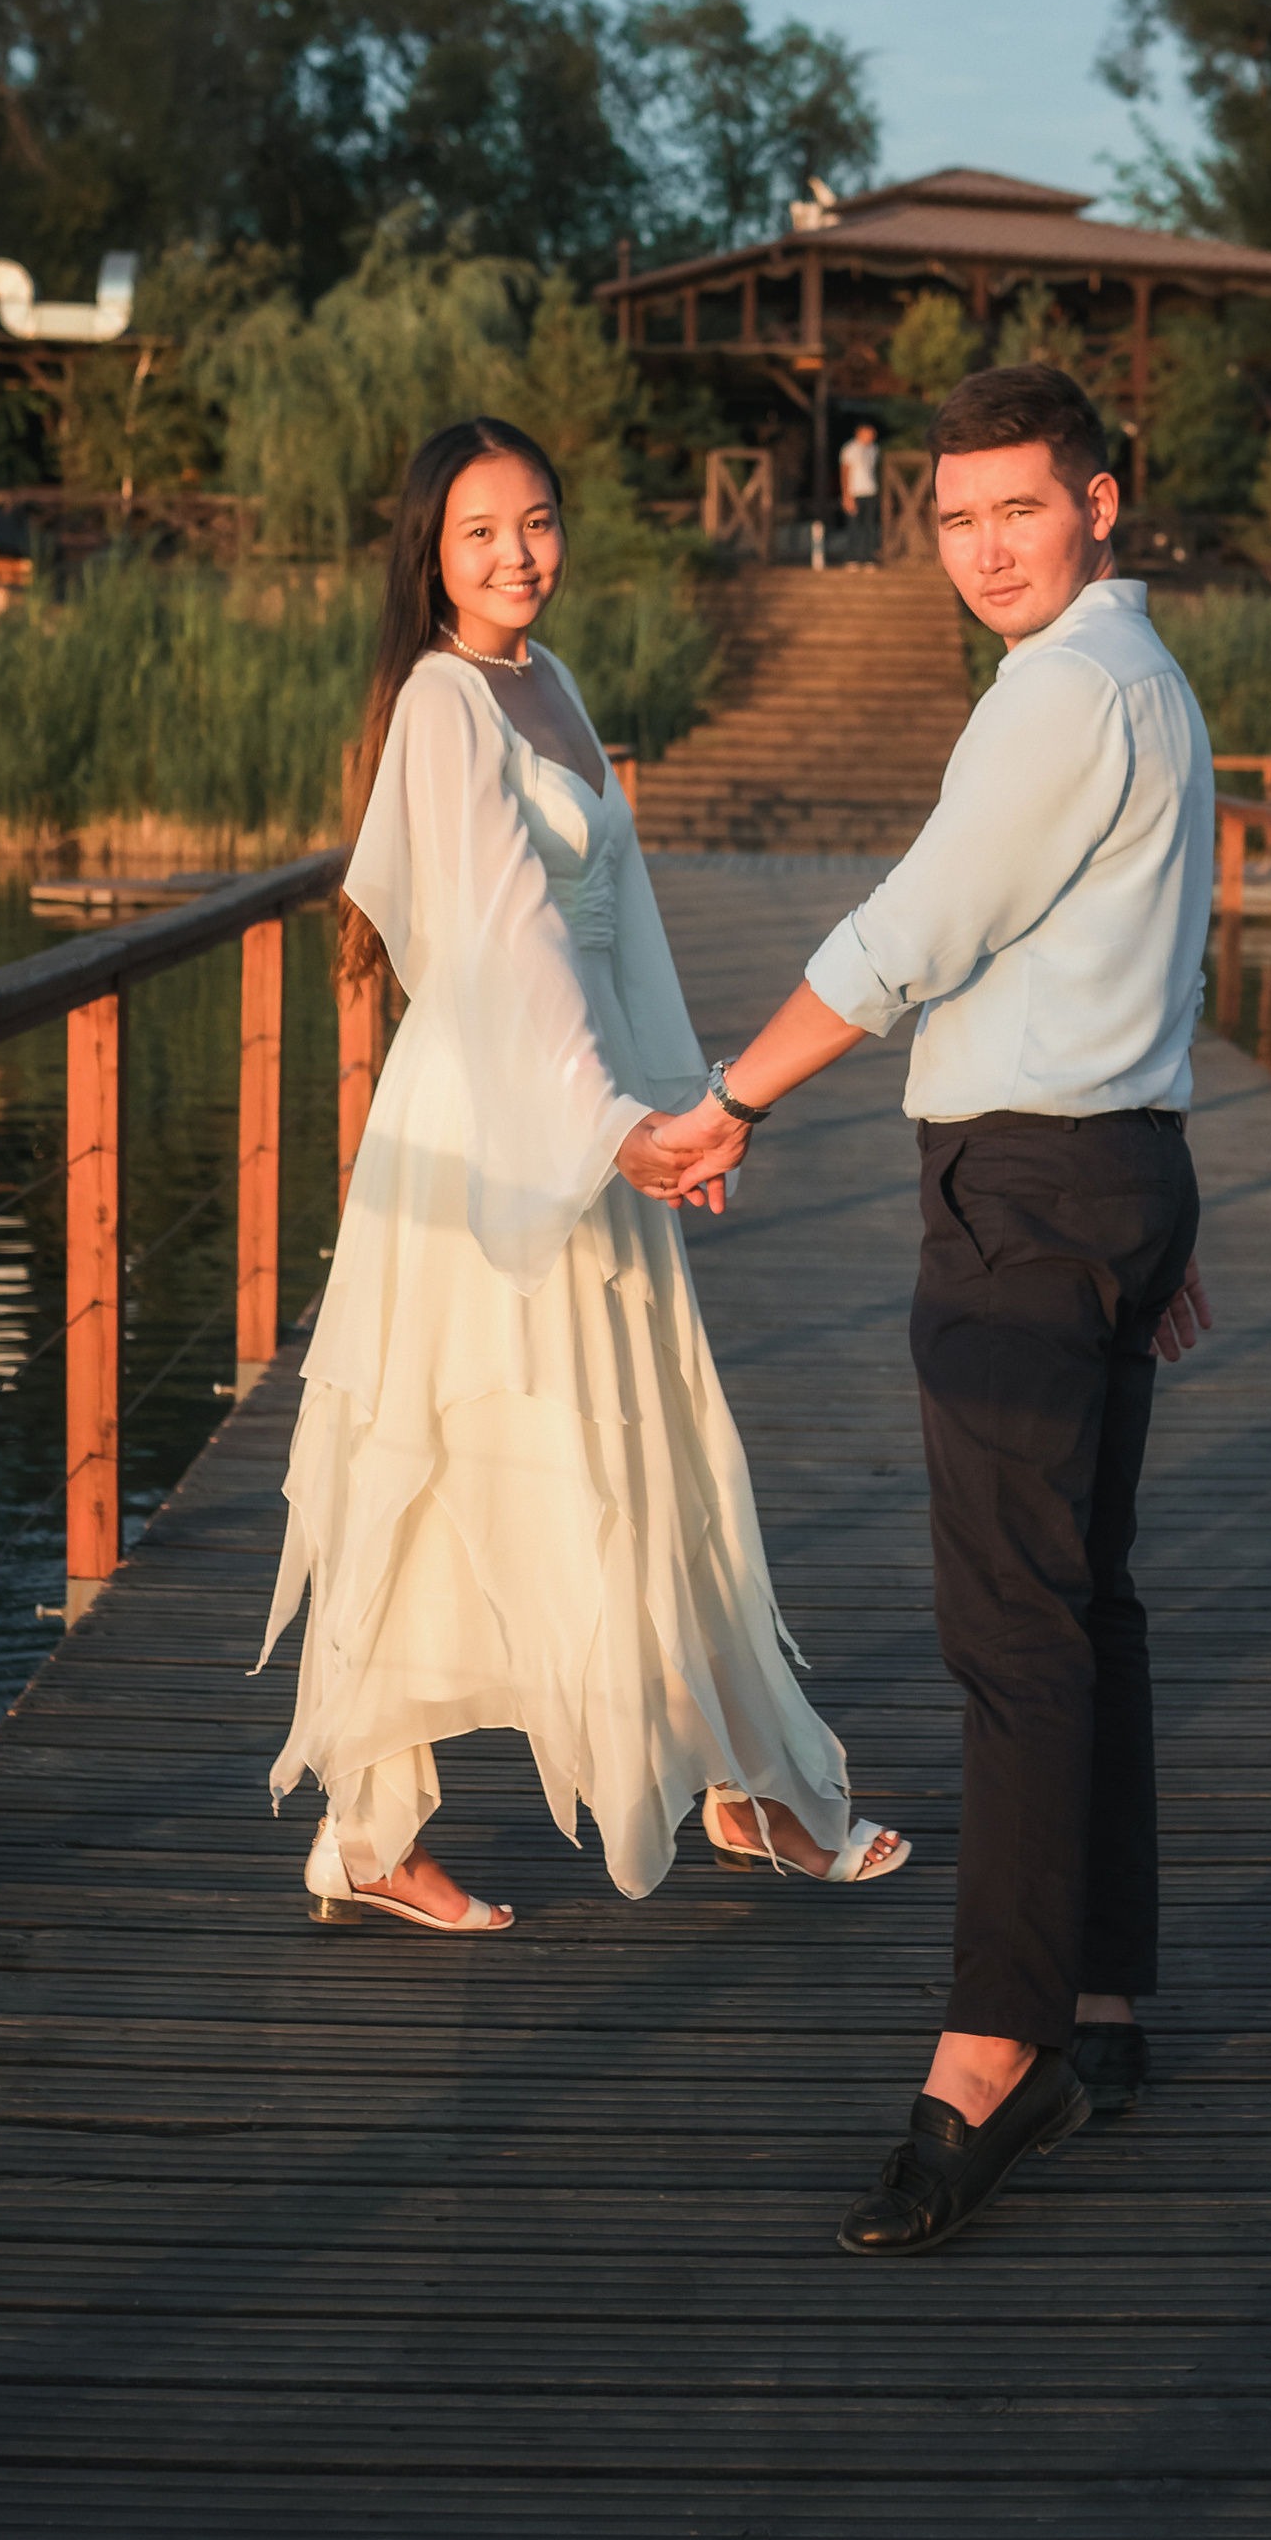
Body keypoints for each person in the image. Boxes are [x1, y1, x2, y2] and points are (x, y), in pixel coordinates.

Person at [650, 361, 1214, 2253]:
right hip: (1112, 1170)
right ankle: (1104, 2000)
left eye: (1019, 512)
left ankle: (999, 2048)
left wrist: (729, 1101)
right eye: (956, 519)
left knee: (1015, 1634)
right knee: (1090, 1609)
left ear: (1101, 502)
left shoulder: (1061, 697)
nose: (981, 550)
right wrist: (1159, 1183)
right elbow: (1151, 937)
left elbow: (912, 933)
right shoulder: (1142, 677)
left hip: (1031, 1196)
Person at [259, 416, 907, 1929]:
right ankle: (372, 1829)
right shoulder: (439, 703)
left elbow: (621, 921)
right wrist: (613, 1126)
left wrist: (684, 1112)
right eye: (482, 531)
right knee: (436, 1453)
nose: (516, 556)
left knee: (649, 1439)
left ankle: (745, 1782)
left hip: (593, 1100)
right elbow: (504, 941)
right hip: (494, 1121)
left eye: (538, 522)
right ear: (431, 550)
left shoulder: (548, 683)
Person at [836, 420, 882, 563]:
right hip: (855, 492)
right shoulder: (850, 449)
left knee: (869, 526)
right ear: (860, 432)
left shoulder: (874, 449)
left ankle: (867, 557)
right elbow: (844, 472)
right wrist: (846, 495)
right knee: (854, 527)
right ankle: (852, 557)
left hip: (870, 491)